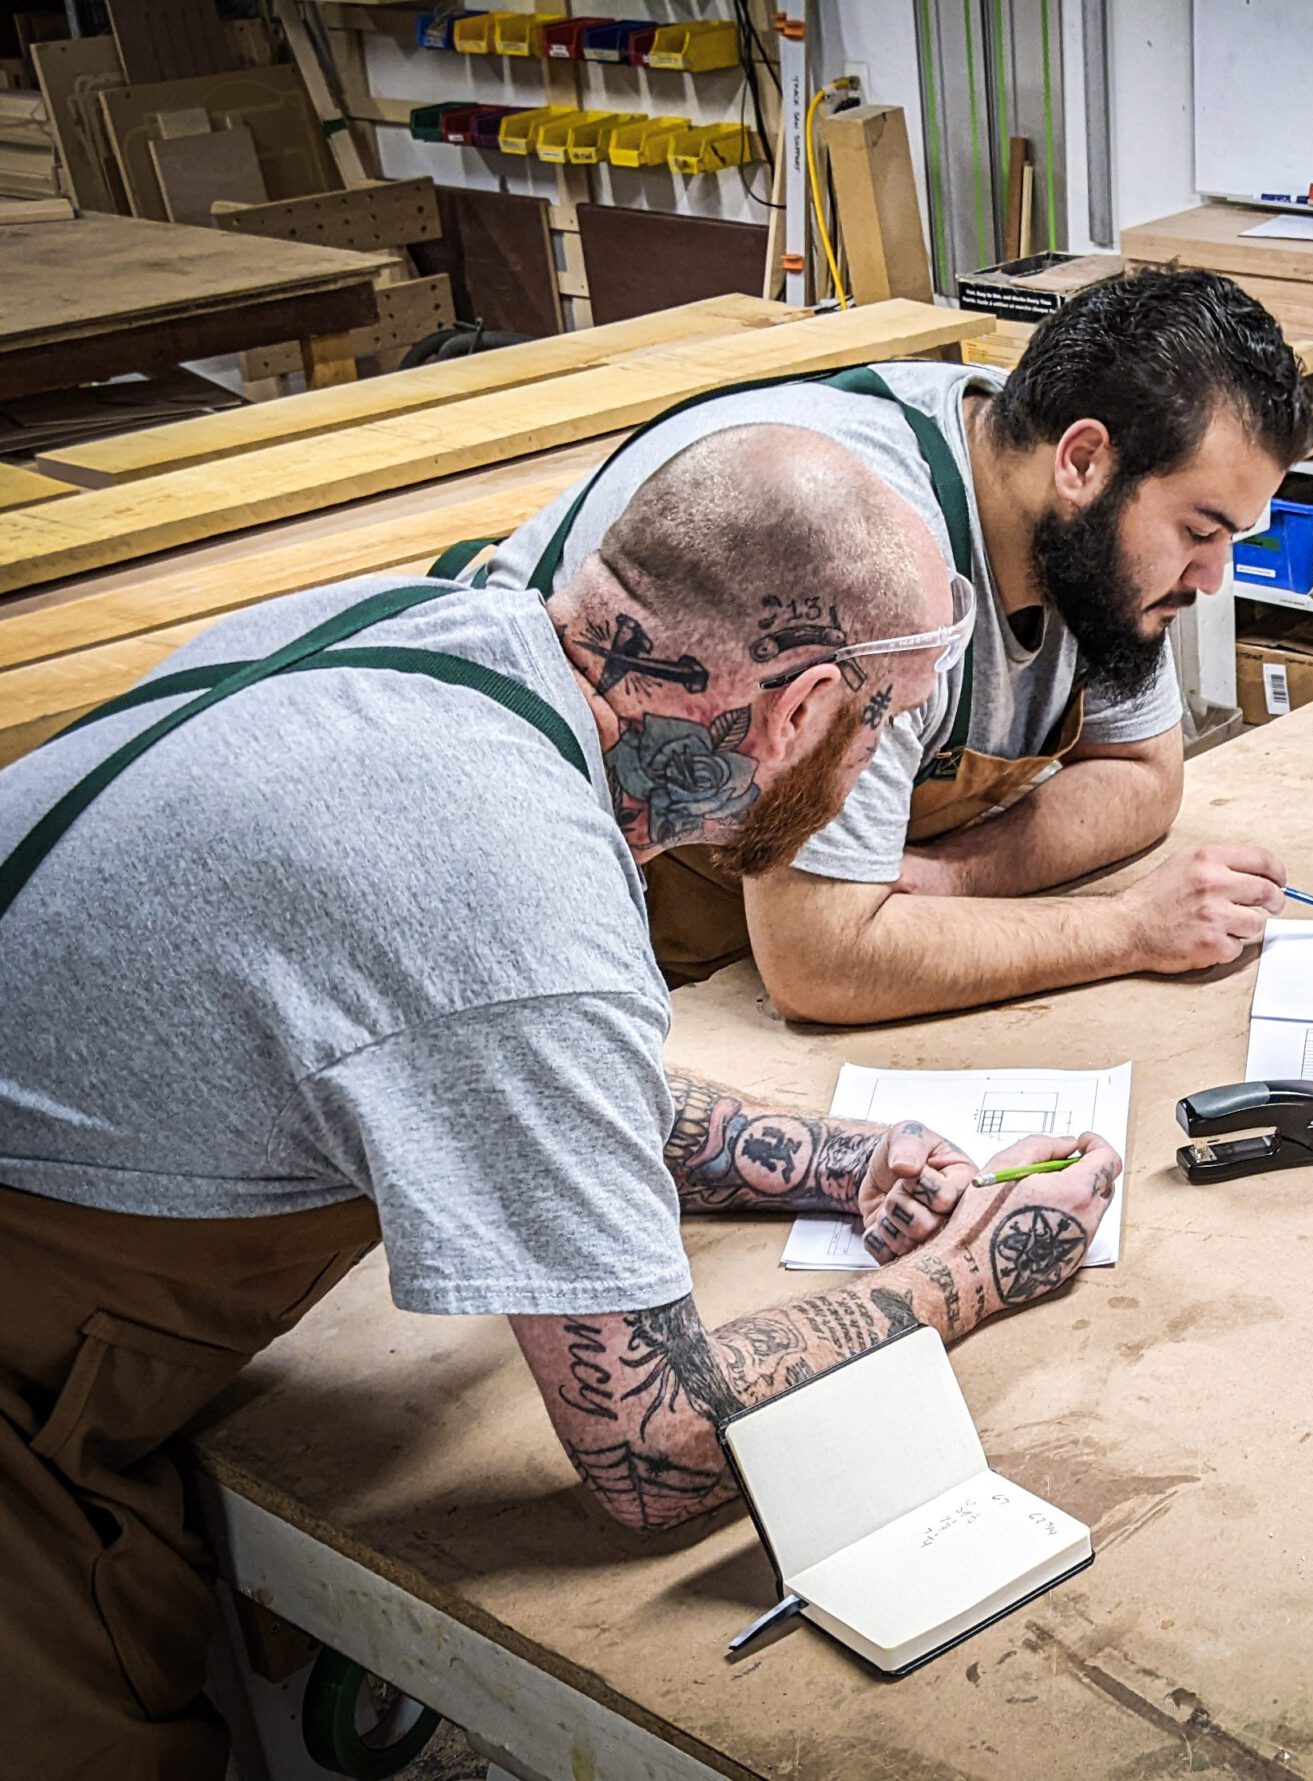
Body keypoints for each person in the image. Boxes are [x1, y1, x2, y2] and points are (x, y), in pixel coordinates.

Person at [0, 426, 1121, 1781]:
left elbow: (504, 1057)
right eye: (882, 722)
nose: (869, 760)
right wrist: (976, 1269)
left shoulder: (441, 634)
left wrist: (843, 1155)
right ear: (801, 709)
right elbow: (655, 1449)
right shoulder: (514, 886)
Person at [483, 268, 1313, 1021]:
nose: (1212, 577)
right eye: (1199, 531)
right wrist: (1129, 928)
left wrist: (952, 879)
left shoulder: (1085, 546)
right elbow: (822, 961)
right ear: (1084, 461)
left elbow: (1143, 776)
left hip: (730, 945)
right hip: (536, 913)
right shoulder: (876, 558)